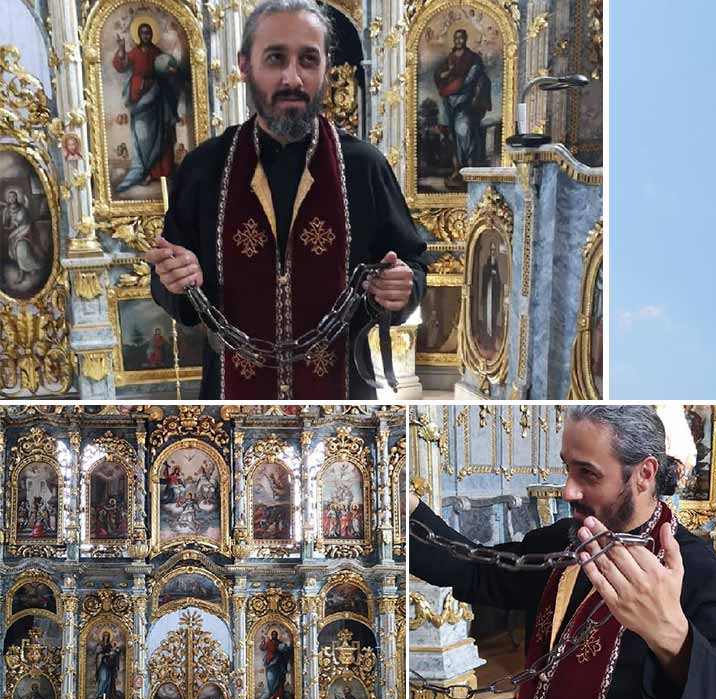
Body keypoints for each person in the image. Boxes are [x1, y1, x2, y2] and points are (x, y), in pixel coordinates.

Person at [408, 406, 716, 699]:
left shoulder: (692, 565)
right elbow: (479, 571)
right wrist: (404, 509)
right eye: (567, 469)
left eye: (588, 474)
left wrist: (670, 634)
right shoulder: (566, 541)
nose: (568, 491)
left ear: (644, 474)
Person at [145, 0, 428, 400]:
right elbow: (166, 281)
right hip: (233, 398)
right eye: (275, 58)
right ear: (245, 65)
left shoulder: (364, 167)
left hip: (342, 399)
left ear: (326, 66)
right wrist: (175, 281)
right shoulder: (203, 169)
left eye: (308, 60)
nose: (292, 77)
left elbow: (412, 264)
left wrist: (404, 287)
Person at [112, 22, 181, 192]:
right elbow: (121, 65)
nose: (145, 35)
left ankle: (159, 172)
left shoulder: (157, 53)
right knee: (143, 137)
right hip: (139, 95)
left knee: (159, 133)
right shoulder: (135, 52)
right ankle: (144, 171)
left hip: (157, 96)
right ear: (139, 35)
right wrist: (121, 48)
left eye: (148, 32)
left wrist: (171, 70)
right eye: (142, 33)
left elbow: (166, 67)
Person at [435, 28, 491, 188]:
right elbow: (439, 74)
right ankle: (457, 169)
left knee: (463, 132)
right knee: (452, 136)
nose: (458, 41)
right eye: (456, 38)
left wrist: (455, 83)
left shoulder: (473, 58)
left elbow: (471, 79)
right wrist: (444, 76)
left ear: (465, 39)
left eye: (461, 38)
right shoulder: (450, 58)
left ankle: (468, 168)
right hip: (449, 102)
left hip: (465, 102)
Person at [259, 628, 292, 699]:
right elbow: (262, 648)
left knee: (279, 680)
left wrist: (286, 648)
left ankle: (278, 695)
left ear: (277, 635)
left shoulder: (280, 643)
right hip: (270, 663)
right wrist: (263, 641)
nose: (274, 635)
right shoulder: (268, 643)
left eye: (275, 634)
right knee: (270, 679)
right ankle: (272, 693)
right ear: (271, 635)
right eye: (272, 634)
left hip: (278, 664)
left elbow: (285, 652)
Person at [94, 630, 120, 699]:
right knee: (103, 678)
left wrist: (115, 652)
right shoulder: (100, 645)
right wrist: (105, 654)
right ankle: (99, 694)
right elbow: (98, 654)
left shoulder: (110, 645)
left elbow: (114, 652)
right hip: (103, 664)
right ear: (102, 637)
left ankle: (105, 695)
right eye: (105, 636)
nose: (106, 637)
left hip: (109, 665)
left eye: (107, 636)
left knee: (108, 680)